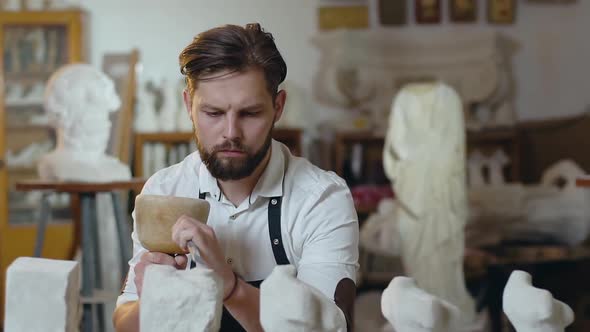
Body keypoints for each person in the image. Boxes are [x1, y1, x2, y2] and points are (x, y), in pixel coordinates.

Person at [113, 23, 359, 332]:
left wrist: (228, 287)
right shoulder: (165, 190)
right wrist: (152, 298)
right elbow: (124, 321)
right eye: (213, 113)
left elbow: (331, 328)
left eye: (250, 113)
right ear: (189, 107)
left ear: (278, 107)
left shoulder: (321, 198)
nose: (231, 133)